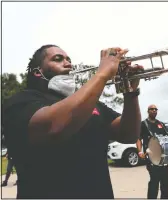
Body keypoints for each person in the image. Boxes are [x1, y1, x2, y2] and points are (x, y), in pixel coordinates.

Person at [2, 45, 144, 199]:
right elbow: (54, 127)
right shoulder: (20, 102)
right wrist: (103, 73)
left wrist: (131, 92)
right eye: (58, 59)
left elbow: (129, 134)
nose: (68, 63)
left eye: (69, 60)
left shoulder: (91, 104)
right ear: (38, 72)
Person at [136, 104, 168, 199]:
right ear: (148, 111)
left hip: (163, 157)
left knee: (165, 181)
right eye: (152, 109)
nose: (154, 110)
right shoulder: (143, 124)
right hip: (151, 158)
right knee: (154, 181)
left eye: (156, 109)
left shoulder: (161, 124)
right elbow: (138, 139)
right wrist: (140, 152)